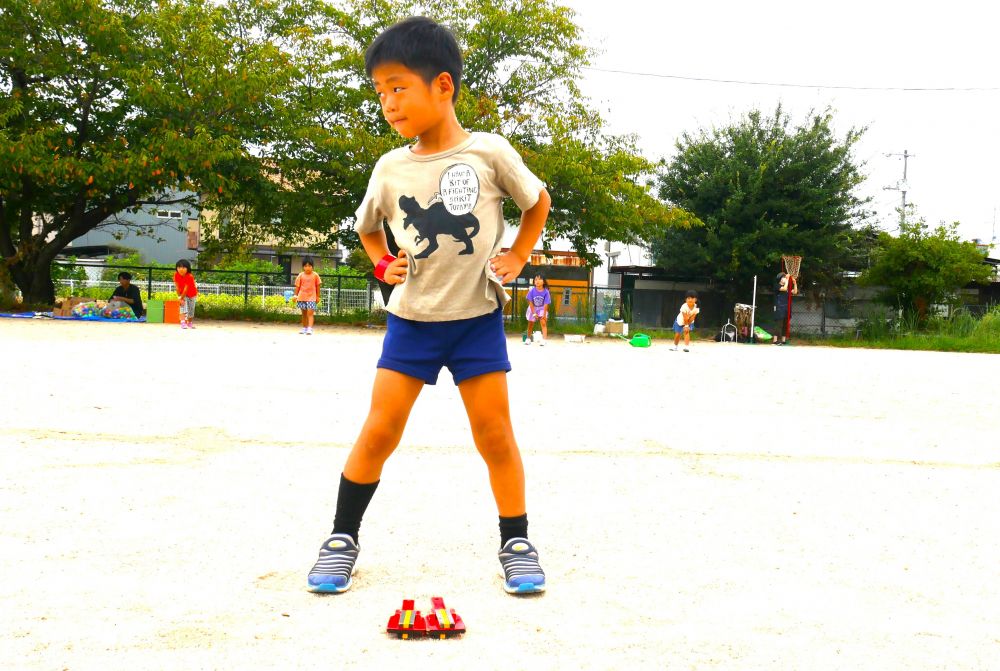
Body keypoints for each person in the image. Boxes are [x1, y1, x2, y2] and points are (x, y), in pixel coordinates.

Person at [307, 16, 552, 596]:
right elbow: (369, 229)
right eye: (380, 92)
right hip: (412, 323)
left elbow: (537, 202)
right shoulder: (390, 168)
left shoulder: (488, 152)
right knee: (380, 432)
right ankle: (342, 538)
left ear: (443, 86)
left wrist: (518, 253)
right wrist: (380, 263)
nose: (388, 103)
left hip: (476, 323)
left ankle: (515, 540)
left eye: (398, 87)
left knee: (495, 434)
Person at [293, 257, 322, 335]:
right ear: (303, 267)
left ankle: (310, 328)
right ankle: (304, 328)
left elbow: (318, 286)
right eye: (305, 266)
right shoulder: (300, 275)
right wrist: (295, 295)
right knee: (304, 314)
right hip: (302, 297)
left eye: (309, 266)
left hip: (312, 297)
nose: (307, 268)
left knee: (310, 313)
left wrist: (318, 296)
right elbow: (297, 286)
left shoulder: (315, 275)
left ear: (312, 266)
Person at [524, 274, 551, 346]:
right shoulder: (532, 291)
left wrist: (544, 314)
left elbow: (546, 304)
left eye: (539, 279)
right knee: (530, 324)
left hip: (542, 308)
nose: (537, 281)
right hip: (533, 308)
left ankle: (544, 340)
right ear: (534, 282)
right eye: (536, 279)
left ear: (544, 282)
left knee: (543, 322)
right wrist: (534, 313)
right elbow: (530, 302)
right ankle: (528, 339)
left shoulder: (546, 292)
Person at [773, 272, 798, 345]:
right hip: (779, 307)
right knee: (778, 324)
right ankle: (775, 340)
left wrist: (794, 283)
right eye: (783, 277)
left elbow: (795, 292)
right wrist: (787, 279)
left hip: (786, 308)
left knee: (785, 324)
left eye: (785, 277)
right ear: (780, 279)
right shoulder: (777, 285)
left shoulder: (787, 288)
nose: (785, 279)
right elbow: (783, 289)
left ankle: (783, 340)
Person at [174, 259, 198, 330]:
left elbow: (186, 289)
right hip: (182, 294)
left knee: (191, 310)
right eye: (179, 267)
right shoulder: (176, 275)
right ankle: (183, 322)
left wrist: (181, 298)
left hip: (191, 294)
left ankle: (189, 323)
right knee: (182, 306)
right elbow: (177, 287)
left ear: (188, 268)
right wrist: (179, 298)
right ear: (177, 268)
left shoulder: (189, 276)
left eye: (183, 267)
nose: (181, 269)